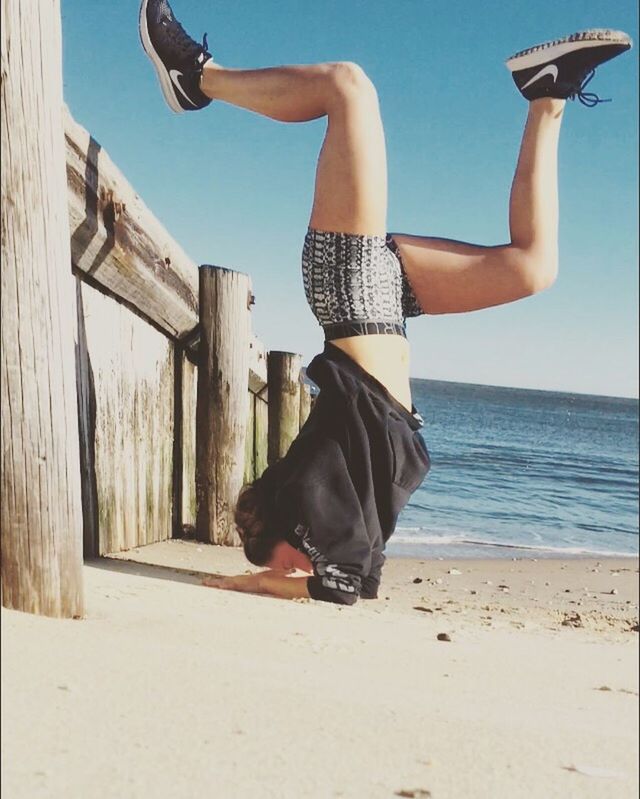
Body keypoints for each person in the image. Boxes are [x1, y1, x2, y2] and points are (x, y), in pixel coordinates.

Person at [139, 1, 632, 604]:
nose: (295, 567)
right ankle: (546, 93)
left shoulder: (314, 495)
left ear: (283, 528)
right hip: (386, 305)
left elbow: (333, 585)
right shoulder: (357, 529)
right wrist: (283, 576)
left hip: (349, 294)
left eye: (284, 559)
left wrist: (257, 578)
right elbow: (356, 584)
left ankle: (197, 78)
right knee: (534, 266)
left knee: (347, 88)